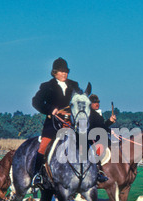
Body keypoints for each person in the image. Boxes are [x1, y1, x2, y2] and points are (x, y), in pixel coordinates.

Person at [31, 57, 108, 186]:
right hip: (54, 123)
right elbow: (36, 102)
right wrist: (50, 109)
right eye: (61, 71)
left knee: (89, 142)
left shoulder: (74, 85)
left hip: (72, 123)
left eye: (66, 71)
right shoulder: (46, 86)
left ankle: (98, 171)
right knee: (44, 146)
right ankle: (37, 175)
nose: (64, 74)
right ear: (55, 72)